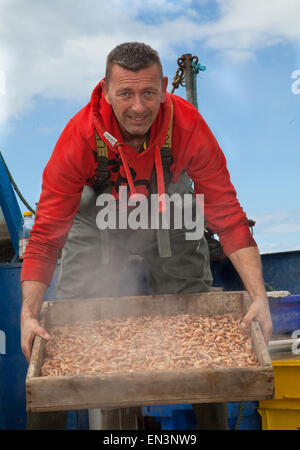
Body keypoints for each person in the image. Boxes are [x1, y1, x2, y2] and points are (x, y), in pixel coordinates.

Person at [20, 42, 272, 430]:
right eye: (125, 93)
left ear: (166, 86)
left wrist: (258, 297)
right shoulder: (79, 136)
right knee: (65, 325)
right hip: (95, 218)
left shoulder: (188, 127)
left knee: (194, 306)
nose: (138, 107)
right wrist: (29, 313)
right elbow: (46, 235)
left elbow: (227, 216)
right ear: (105, 90)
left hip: (170, 214)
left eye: (149, 93)